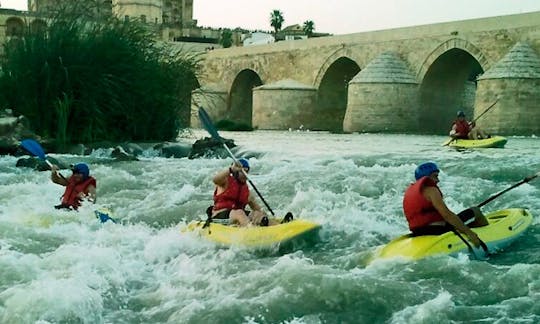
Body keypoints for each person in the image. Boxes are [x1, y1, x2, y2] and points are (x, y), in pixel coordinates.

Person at [402, 162, 488, 247]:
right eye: (435, 176)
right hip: (437, 230)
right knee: (476, 211)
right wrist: (469, 233)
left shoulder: (409, 192)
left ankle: (467, 229)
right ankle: (488, 234)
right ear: (427, 177)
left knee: (459, 221)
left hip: (418, 232)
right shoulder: (431, 190)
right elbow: (447, 215)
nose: (437, 180)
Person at [209, 158, 273, 227]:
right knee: (239, 212)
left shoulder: (247, 192)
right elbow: (215, 179)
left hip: (238, 218)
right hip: (219, 216)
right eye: (242, 171)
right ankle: (252, 232)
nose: (244, 174)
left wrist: (264, 216)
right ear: (235, 172)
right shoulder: (225, 182)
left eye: (246, 171)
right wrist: (231, 169)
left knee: (257, 214)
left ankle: (276, 226)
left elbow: (258, 209)